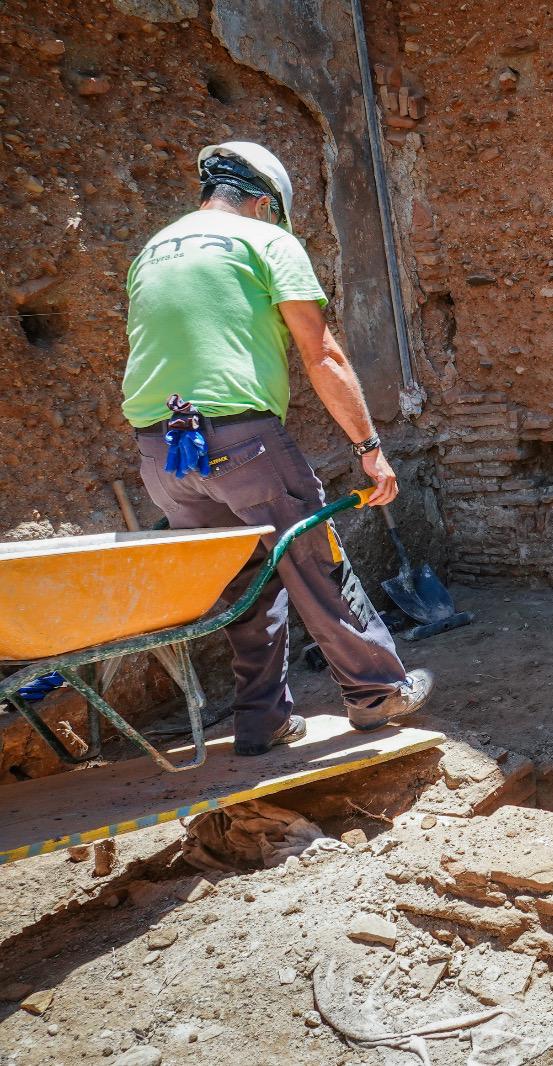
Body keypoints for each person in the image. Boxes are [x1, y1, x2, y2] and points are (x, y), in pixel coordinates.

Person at [122, 140, 431, 757]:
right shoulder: (266, 242)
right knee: (312, 561)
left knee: (244, 580)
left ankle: (261, 721)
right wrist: (369, 446)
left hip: (162, 454)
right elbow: (322, 354)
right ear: (262, 202)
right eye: (272, 211)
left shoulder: (151, 252)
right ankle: (377, 692)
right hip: (241, 441)